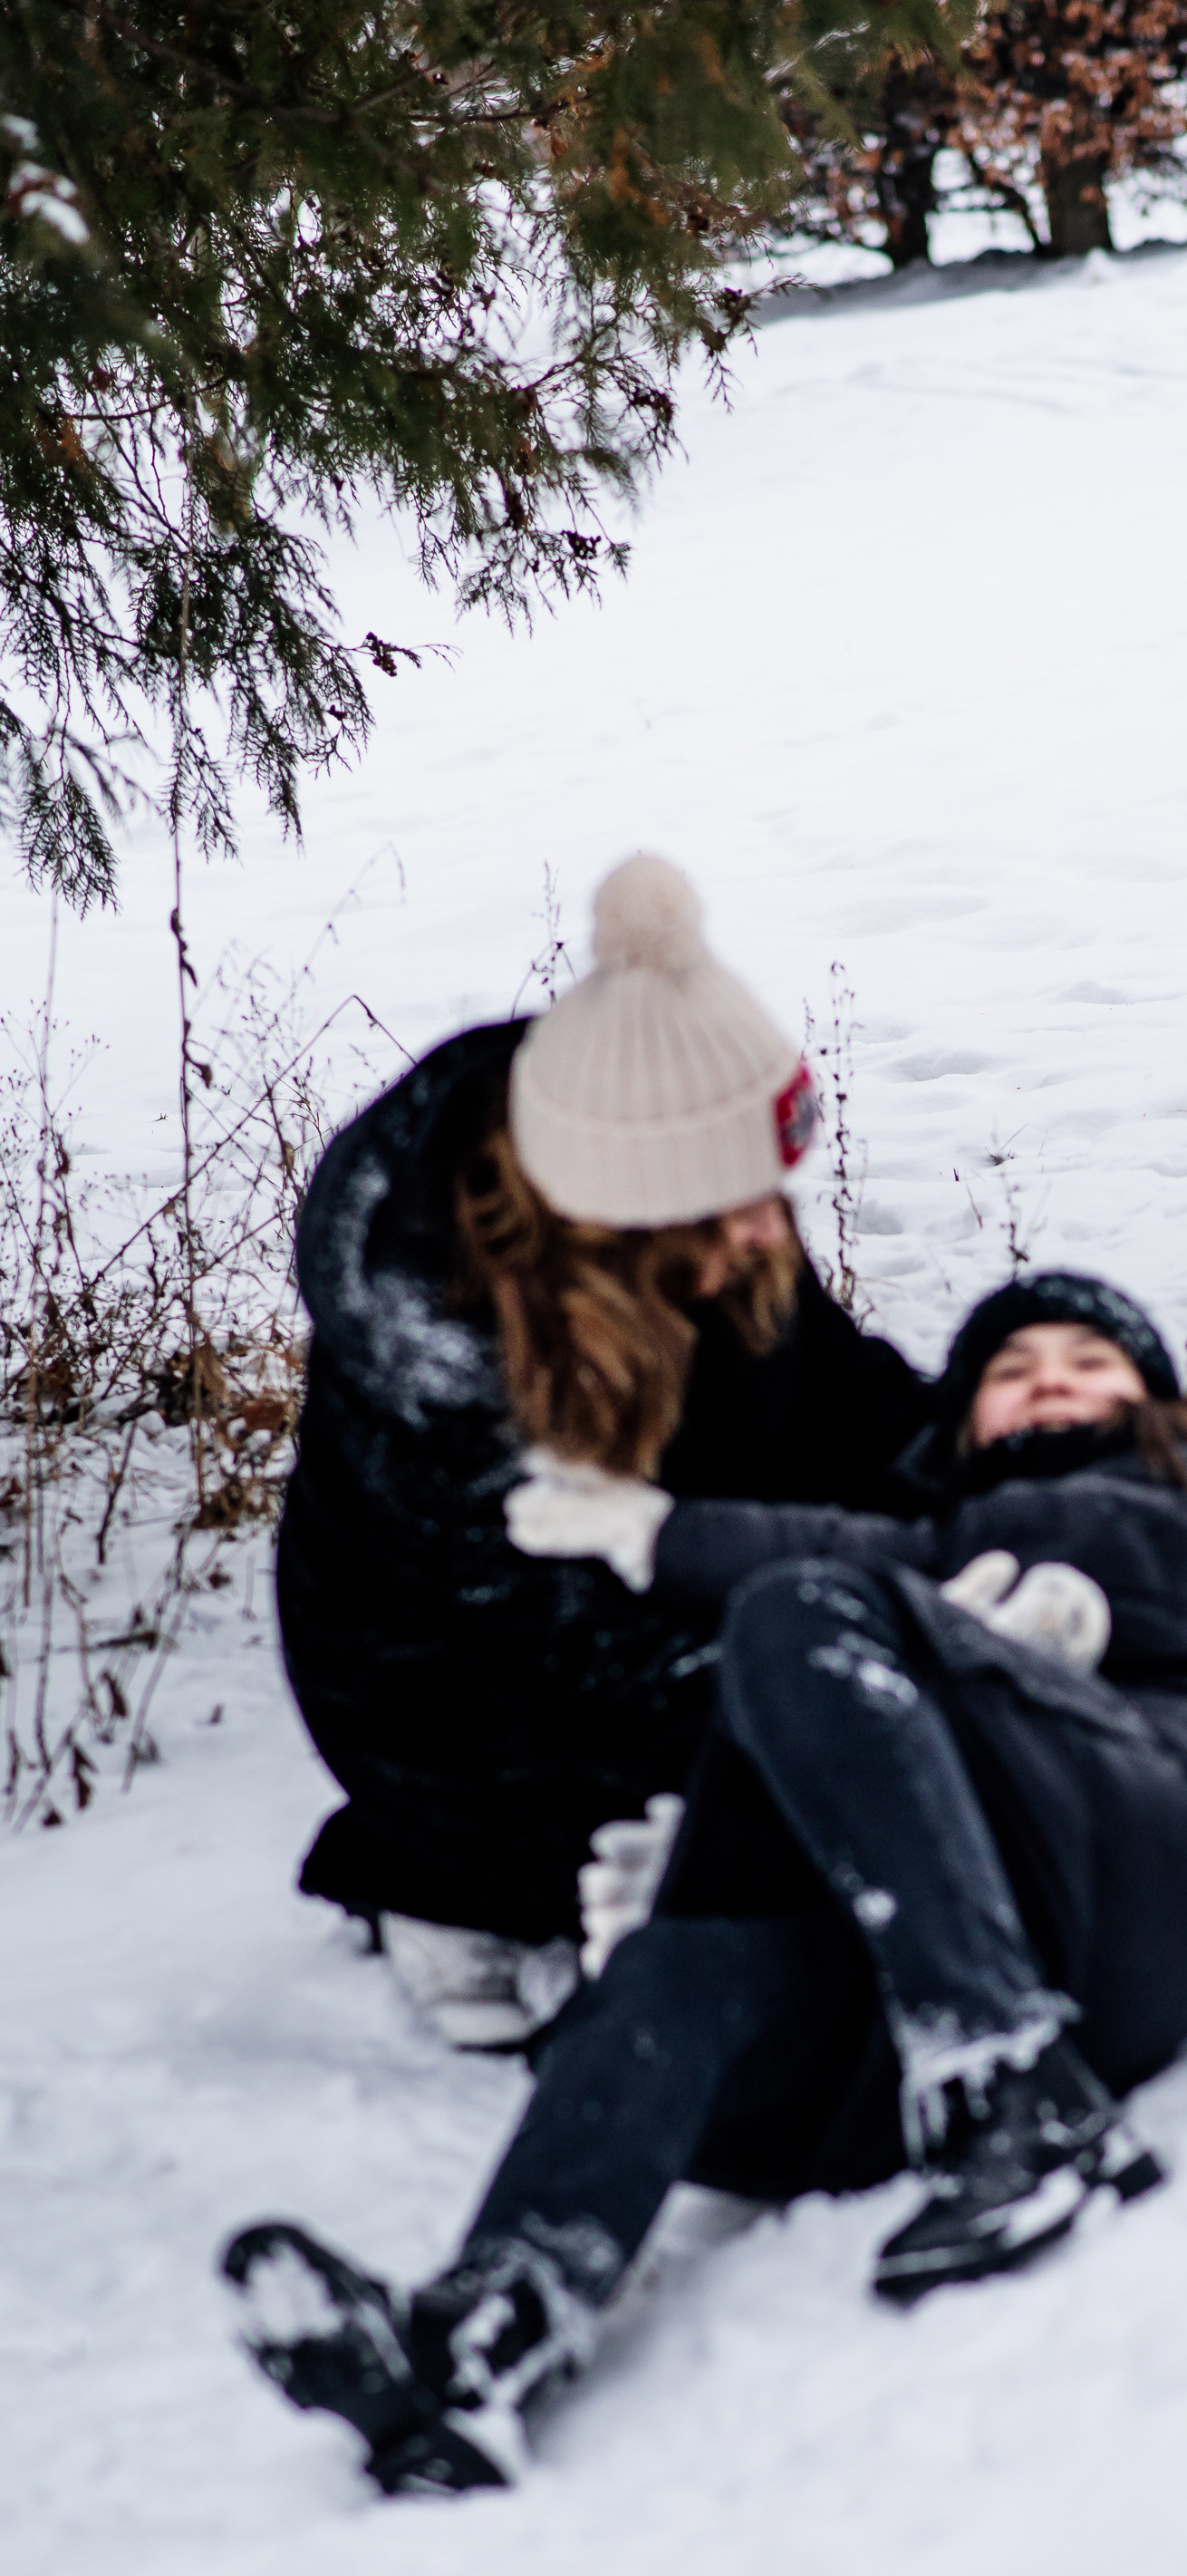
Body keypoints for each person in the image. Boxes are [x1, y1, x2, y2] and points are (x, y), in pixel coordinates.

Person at [224, 1271, 1187, 2497]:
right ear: (960, 1421)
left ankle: (1012, 2083)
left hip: (1162, 1854)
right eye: (1013, 1371)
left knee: (798, 1613)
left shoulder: (1173, 1484)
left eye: (1088, 1361)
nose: (1050, 1381)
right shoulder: (930, 1574)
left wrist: (669, 1534)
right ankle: (490, 2330)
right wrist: (705, 1874)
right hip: (980, 1960)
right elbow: (920, 1582)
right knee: (676, 1969)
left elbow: (956, 1554)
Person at [277, 853, 929, 2044]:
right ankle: (436, 1886)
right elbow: (559, 1640)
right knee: (775, 1815)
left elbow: (851, 1409)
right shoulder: (432, 1332)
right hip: (459, 1690)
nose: (766, 1220)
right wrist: (850, 1663)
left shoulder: (698, 1190)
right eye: (731, 1200)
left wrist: (1005, 1477)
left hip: (654, 1574)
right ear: (618, 1212)